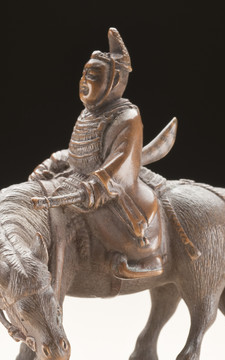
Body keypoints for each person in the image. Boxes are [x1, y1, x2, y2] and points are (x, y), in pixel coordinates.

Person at [29, 28, 163, 279]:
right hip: (79, 178)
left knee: (125, 223)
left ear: (114, 80)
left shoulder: (127, 116)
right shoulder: (88, 114)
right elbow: (79, 153)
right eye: (83, 74)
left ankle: (148, 256)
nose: (84, 80)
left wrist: (98, 183)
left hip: (112, 185)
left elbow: (122, 159)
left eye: (92, 75)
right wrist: (53, 162)